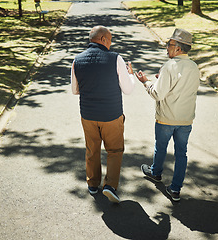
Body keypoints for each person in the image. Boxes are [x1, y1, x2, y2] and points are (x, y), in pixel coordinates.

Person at [71, 25, 135, 203]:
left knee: (92, 149)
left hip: (88, 115)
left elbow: (75, 90)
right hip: (111, 115)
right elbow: (128, 90)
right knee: (114, 150)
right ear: (103, 39)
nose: (111, 43)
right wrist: (130, 76)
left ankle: (93, 184)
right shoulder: (115, 59)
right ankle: (110, 186)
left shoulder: (77, 60)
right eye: (110, 40)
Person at [135, 28, 200, 202]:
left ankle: (156, 173)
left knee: (161, 147)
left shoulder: (169, 66)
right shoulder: (194, 67)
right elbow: (185, 88)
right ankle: (176, 189)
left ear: (178, 48)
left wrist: (146, 82)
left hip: (166, 118)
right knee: (181, 153)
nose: (167, 48)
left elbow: (157, 94)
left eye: (169, 45)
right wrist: (162, 79)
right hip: (186, 119)